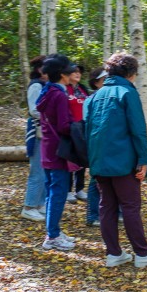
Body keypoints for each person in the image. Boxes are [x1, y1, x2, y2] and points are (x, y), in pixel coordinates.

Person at [83, 52, 147, 268]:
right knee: (130, 206)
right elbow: (138, 130)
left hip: (99, 160)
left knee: (107, 207)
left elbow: (87, 129)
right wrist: (144, 160)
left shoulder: (94, 96)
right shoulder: (127, 93)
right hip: (123, 161)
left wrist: (92, 161)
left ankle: (114, 253)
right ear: (132, 73)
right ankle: (142, 254)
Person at [36, 54, 79, 251]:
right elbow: (63, 126)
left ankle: (53, 230)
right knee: (58, 193)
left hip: (47, 148)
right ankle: (52, 236)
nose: (73, 73)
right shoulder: (59, 95)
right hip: (59, 151)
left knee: (51, 191)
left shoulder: (47, 91)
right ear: (63, 74)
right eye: (70, 70)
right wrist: (80, 128)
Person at [21, 56, 48, 221]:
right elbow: (35, 110)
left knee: (44, 169)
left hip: (46, 131)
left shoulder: (45, 86)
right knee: (37, 170)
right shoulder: (36, 86)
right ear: (40, 70)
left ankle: (39, 204)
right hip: (38, 131)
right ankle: (29, 206)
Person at [84, 67, 107, 227]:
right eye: (103, 79)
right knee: (95, 180)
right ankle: (92, 215)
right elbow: (87, 123)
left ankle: (113, 212)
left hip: (109, 145)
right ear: (96, 83)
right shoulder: (90, 100)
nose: (107, 82)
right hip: (96, 145)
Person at [65, 65, 91, 204]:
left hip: (84, 127)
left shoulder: (83, 89)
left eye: (79, 72)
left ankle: (79, 188)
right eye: (74, 71)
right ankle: (68, 190)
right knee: (71, 159)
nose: (77, 74)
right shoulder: (64, 89)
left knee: (82, 158)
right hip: (70, 128)